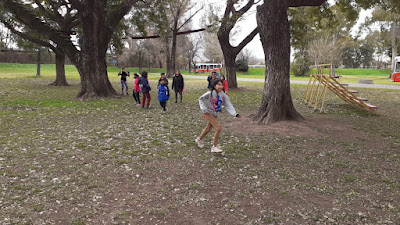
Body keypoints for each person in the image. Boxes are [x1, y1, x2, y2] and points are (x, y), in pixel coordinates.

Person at [195, 79, 241, 153]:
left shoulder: (223, 95)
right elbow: (200, 99)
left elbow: (228, 105)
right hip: (208, 112)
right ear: (214, 85)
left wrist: (235, 113)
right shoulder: (209, 93)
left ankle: (198, 140)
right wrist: (203, 108)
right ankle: (214, 147)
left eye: (222, 85)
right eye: (219, 85)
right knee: (219, 128)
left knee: (208, 129)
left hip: (215, 113)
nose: (221, 86)